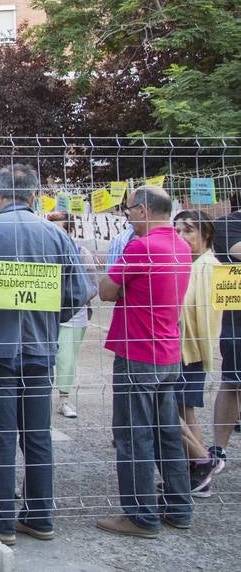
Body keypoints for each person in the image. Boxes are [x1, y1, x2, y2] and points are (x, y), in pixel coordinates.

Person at [0, 165, 94, 545]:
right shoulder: (56, 236)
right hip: (40, 351)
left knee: (0, 436)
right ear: (35, 195)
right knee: (37, 436)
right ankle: (40, 517)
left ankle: (2, 519)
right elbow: (80, 291)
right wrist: (48, 317)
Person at [96, 186, 193, 538]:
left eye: (129, 210)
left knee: (133, 435)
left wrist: (122, 287)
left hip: (138, 351)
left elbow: (107, 289)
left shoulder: (142, 247)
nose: (127, 217)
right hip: (168, 352)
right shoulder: (181, 246)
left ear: (141, 210)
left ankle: (140, 515)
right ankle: (180, 508)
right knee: (167, 431)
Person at [172, 209, 222, 495]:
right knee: (184, 410)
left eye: (189, 230)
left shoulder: (205, 266)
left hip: (187, 351)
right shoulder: (192, 263)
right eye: (177, 230)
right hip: (186, 350)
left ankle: (203, 462)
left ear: (206, 234)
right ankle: (199, 474)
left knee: (175, 410)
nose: (182, 236)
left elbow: (194, 313)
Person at [50, 211, 99, 419]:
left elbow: (92, 285)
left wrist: (74, 298)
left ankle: (64, 398)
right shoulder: (45, 249)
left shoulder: (81, 253)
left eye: (59, 227)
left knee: (66, 357)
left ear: (69, 230)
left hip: (73, 315)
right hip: (47, 313)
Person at [210, 200, 241, 472]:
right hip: (237, 324)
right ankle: (218, 451)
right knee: (233, 383)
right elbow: (237, 251)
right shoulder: (228, 224)